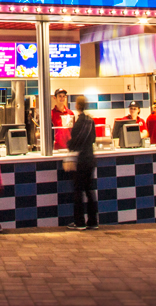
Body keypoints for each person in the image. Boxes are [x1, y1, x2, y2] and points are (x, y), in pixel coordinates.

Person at [66, 95, 98, 231]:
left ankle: (79, 222)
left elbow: (74, 143)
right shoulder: (90, 121)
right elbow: (93, 139)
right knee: (90, 191)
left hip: (81, 161)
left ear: (77, 106)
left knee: (78, 191)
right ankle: (93, 221)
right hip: (90, 159)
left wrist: (68, 145)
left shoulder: (79, 122)